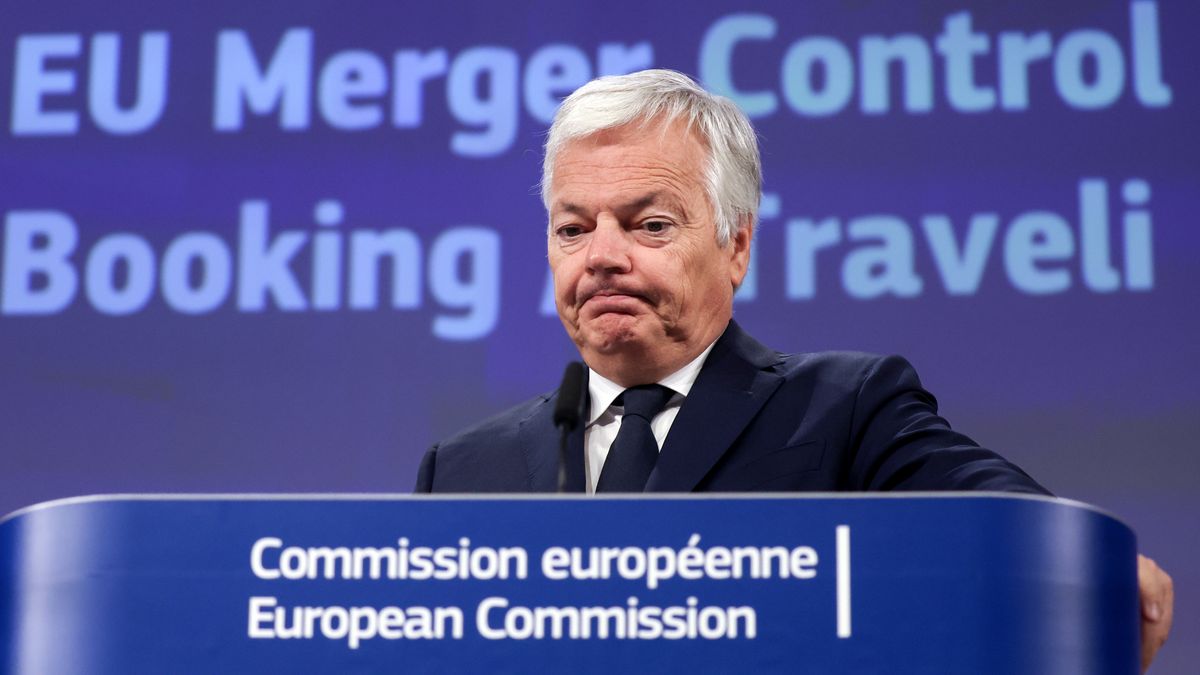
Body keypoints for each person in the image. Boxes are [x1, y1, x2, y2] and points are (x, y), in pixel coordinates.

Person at [414, 69, 1172, 669]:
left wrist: (1096, 567)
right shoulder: (464, 468)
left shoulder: (841, 408)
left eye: (649, 224)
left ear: (736, 245)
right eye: (573, 228)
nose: (603, 256)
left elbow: (997, 516)